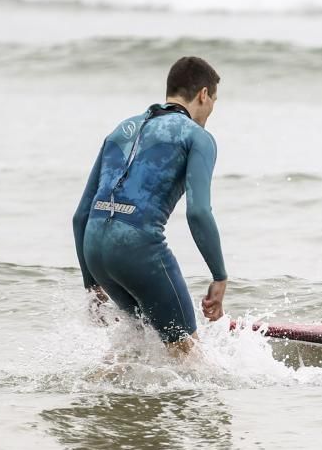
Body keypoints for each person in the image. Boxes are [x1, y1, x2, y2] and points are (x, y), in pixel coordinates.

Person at [72, 57, 227, 355]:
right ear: (203, 95)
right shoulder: (197, 137)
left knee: (140, 346)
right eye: (213, 102)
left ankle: (97, 396)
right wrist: (219, 276)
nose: (211, 111)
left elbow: (81, 216)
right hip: (138, 250)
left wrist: (92, 284)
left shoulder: (121, 129)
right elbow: (198, 212)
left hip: (95, 250)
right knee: (188, 355)